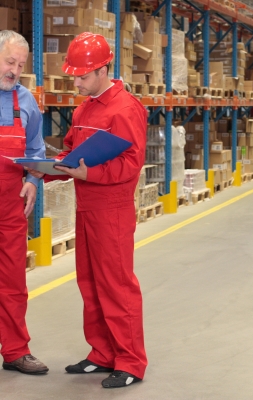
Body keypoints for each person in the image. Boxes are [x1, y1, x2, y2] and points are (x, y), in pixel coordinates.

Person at [54, 32, 148, 389]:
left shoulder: (126, 109)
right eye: (74, 75)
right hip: (86, 205)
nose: (76, 81)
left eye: (82, 76)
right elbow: (70, 150)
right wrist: (46, 168)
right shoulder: (84, 107)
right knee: (89, 282)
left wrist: (89, 172)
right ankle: (102, 353)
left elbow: (130, 164)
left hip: (112, 208)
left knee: (117, 285)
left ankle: (130, 361)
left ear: (104, 69)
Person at [0, 30, 48, 374]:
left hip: (10, 203)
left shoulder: (26, 101)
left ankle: (16, 350)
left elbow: (36, 151)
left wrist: (33, 179)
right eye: (8, 61)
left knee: (14, 279)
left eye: (19, 64)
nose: (14, 70)